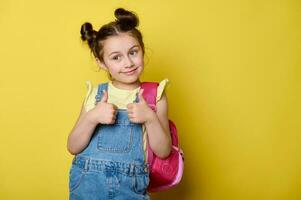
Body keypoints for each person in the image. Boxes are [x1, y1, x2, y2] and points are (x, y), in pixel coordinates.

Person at [67, 7, 172, 200]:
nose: (128, 63)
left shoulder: (154, 95)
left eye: (133, 52)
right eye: (116, 57)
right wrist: (92, 117)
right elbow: (73, 146)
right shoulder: (96, 95)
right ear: (101, 62)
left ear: (142, 48)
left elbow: (164, 151)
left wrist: (149, 118)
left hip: (130, 189)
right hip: (87, 187)